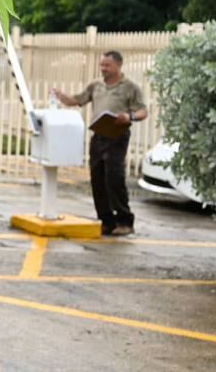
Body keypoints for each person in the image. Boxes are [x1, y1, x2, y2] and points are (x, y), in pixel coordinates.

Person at [51, 51, 148, 236]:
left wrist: (130, 116)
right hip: (99, 135)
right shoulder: (95, 86)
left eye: (107, 65)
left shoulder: (130, 88)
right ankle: (106, 221)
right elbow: (77, 100)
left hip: (117, 136)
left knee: (114, 177)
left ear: (119, 65)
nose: (103, 68)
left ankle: (125, 220)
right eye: (101, 65)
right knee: (97, 178)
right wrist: (60, 95)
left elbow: (143, 111)